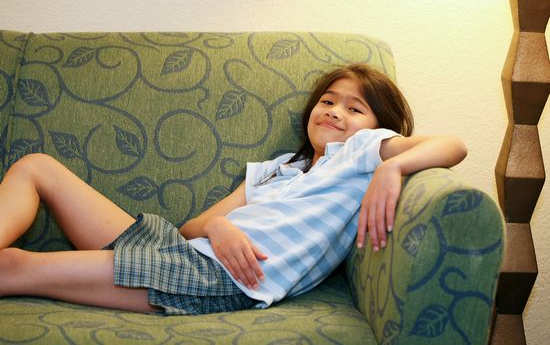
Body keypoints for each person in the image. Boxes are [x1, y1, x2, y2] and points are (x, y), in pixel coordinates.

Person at [0, 63, 467, 315]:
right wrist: (220, 227)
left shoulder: (363, 152)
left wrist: (392, 168)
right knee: (37, 166)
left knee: (13, 267)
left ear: (377, 127)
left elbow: (452, 144)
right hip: (185, 249)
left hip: (218, 278)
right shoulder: (279, 168)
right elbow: (191, 228)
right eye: (327, 101)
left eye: (355, 107)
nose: (335, 112)